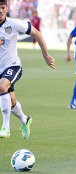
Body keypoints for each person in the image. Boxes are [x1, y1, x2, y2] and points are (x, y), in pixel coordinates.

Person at [0, 0, 55, 139]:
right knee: (11, 102)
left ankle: (5, 127)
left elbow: (36, 33)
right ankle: (25, 121)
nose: (0, 11)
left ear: (7, 9)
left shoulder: (13, 24)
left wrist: (46, 55)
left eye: (2, 8)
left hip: (12, 65)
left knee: (1, 87)